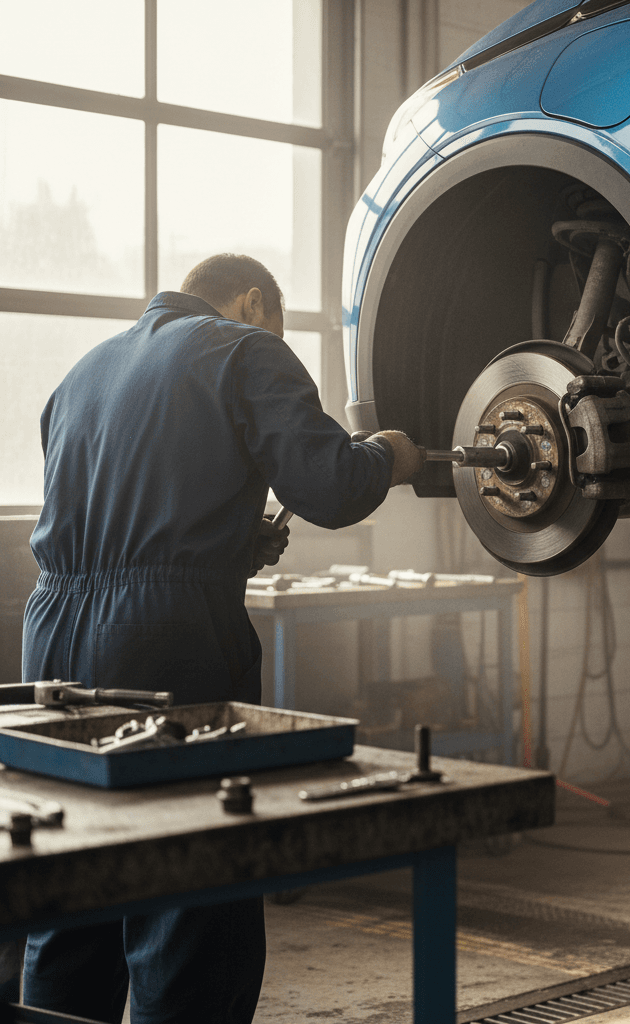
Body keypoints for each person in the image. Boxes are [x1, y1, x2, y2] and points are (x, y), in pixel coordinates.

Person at [18, 253, 425, 1024]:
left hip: (53, 633)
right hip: (164, 638)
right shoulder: (243, 348)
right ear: (251, 301)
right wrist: (390, 455)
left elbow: (113, 519)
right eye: (274, 320)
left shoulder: (83, 372)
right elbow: (332, 485)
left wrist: (224, 546)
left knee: (74, 885)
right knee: (192, 888)